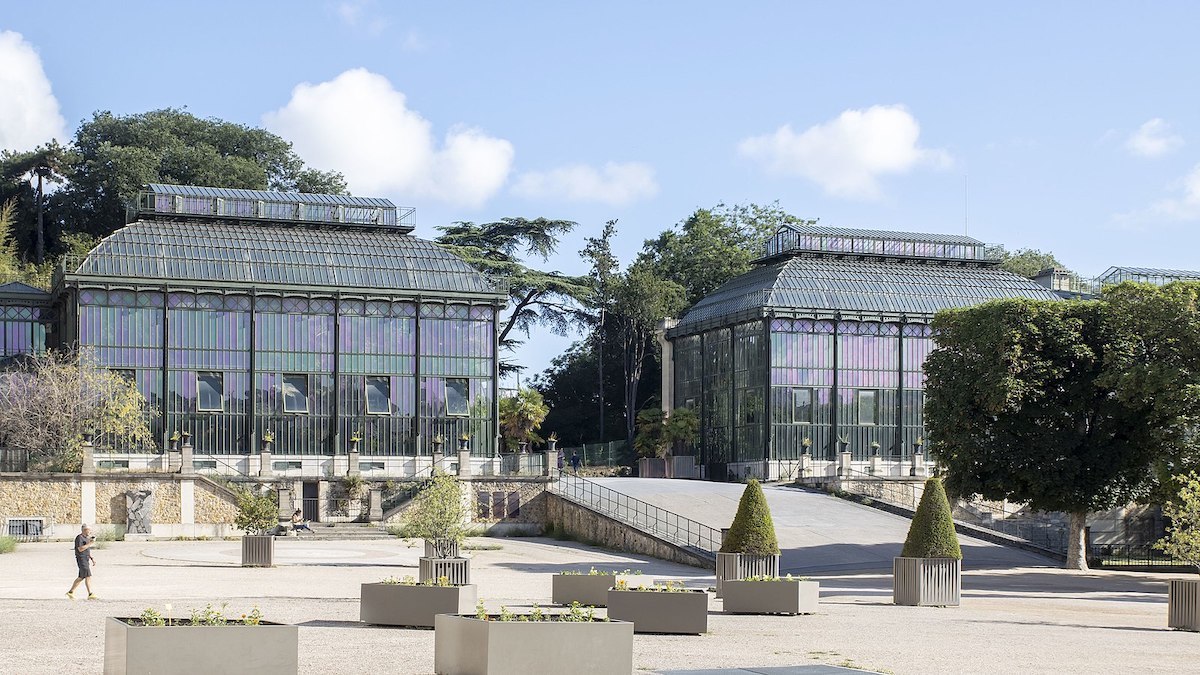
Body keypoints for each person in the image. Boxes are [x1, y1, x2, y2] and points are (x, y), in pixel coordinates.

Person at [67, 524, 97, 600]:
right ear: (84, 530)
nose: (90, 531)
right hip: (81, 559)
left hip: (86, 558)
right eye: (89, 530)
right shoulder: (79, 538)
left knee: (81, 577)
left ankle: (70, 592)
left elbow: (86, 549)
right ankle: (90, 593)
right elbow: (80, 549)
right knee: (88, 575)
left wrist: (91, 557)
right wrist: (90, 543)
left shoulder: (86, 538)